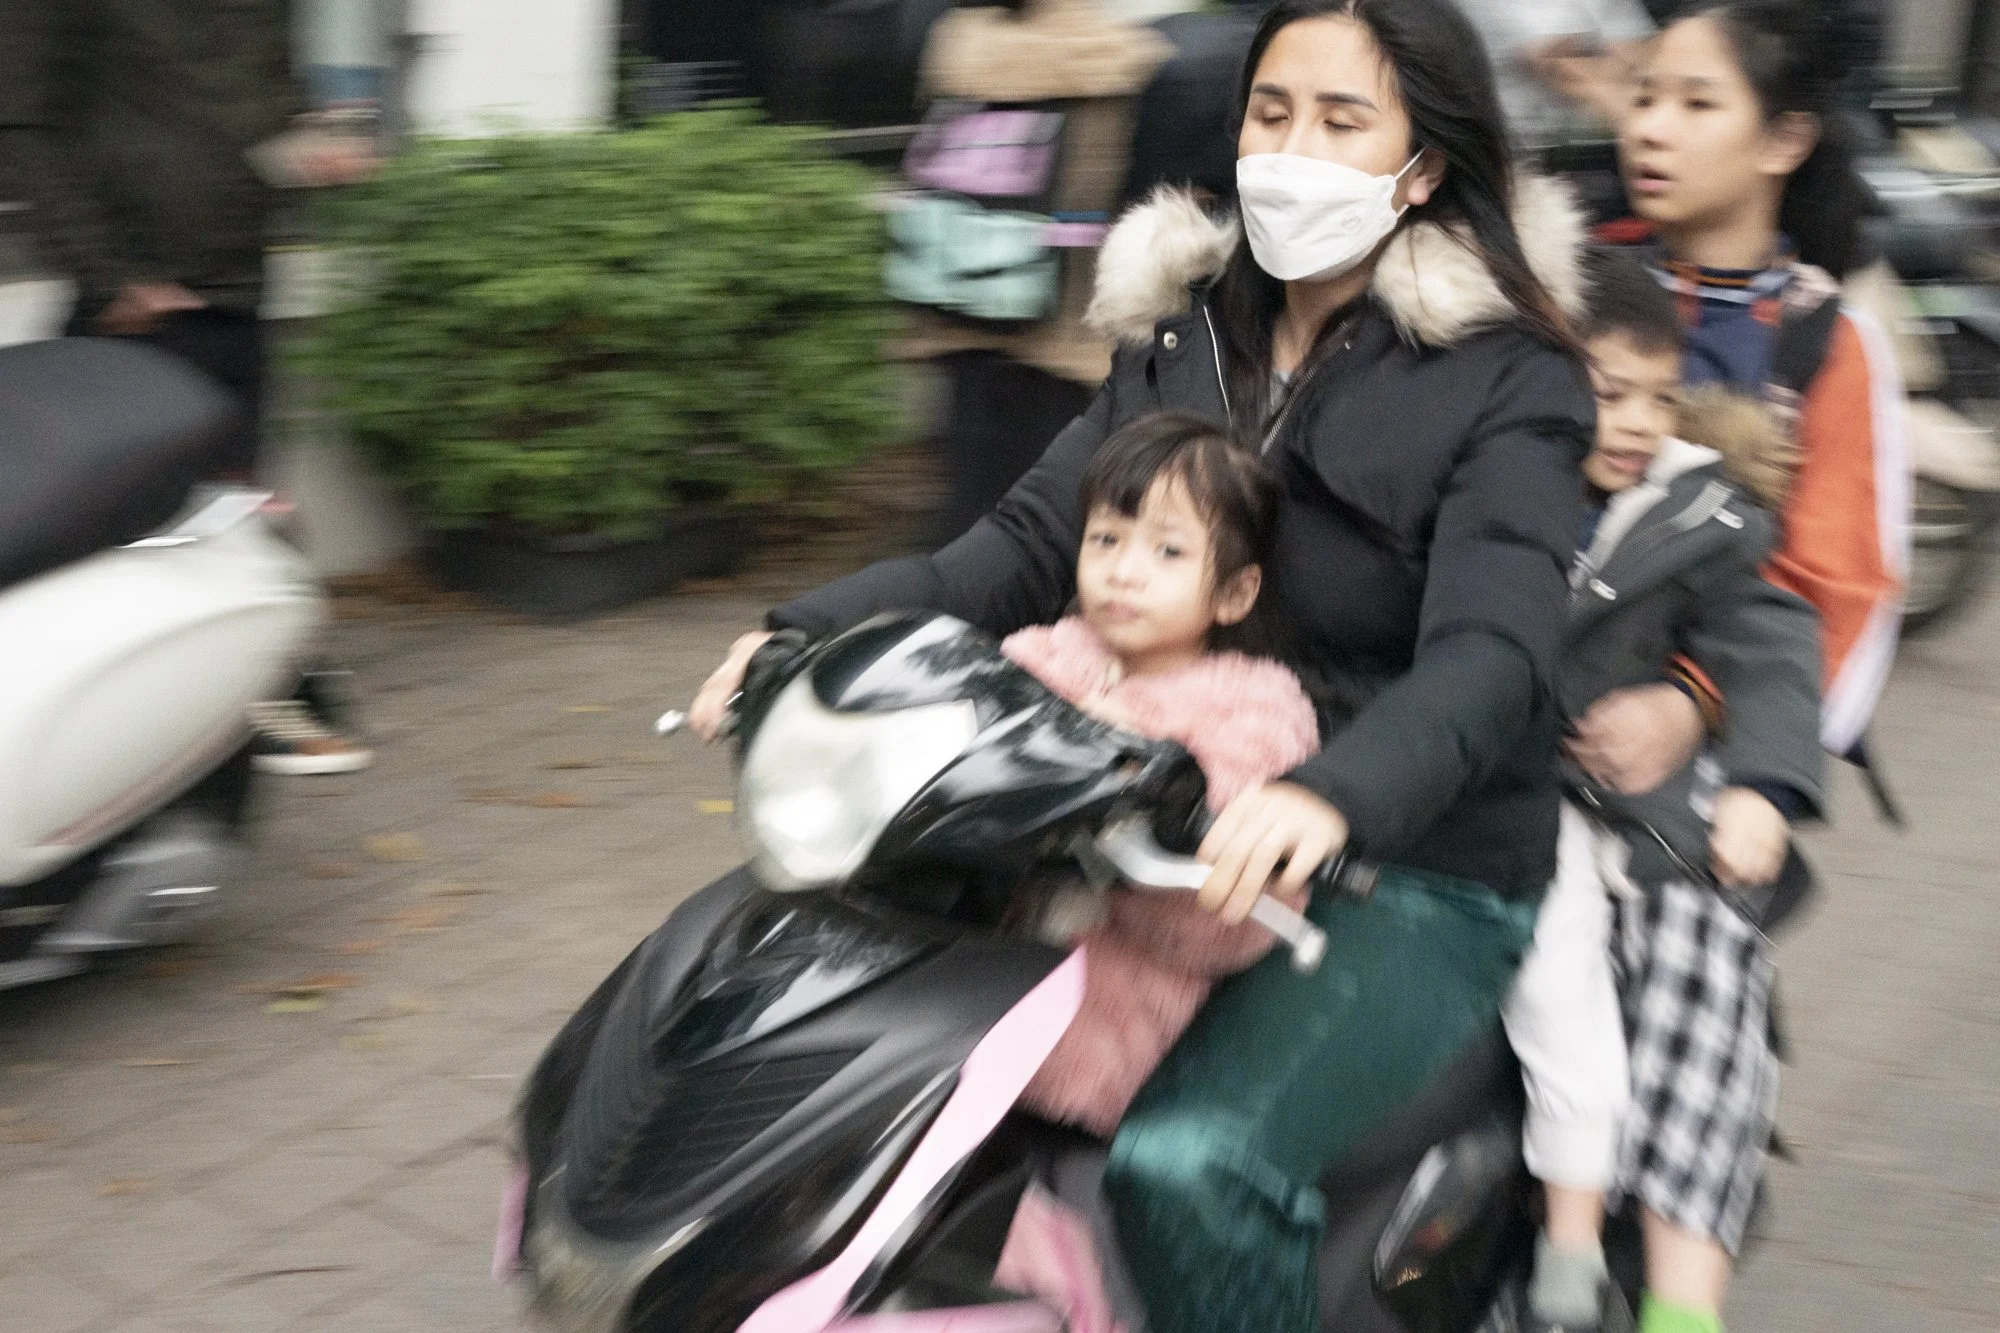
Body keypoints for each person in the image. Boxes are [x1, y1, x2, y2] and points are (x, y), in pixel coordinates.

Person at [692, 0, 1596, 1325]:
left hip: (1413, 858)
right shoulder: (1180, 331)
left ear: (1422, 168)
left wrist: (1332, 797)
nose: (1294, 149)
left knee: (1191, 1165)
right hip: (1139, 813)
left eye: (1344, 121)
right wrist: (805, 630)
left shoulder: (1507, 377)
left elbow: (1494, 649)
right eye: (1272, 112)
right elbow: (1017, 548)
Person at [1500, 250, 1824, 1333]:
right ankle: (1568, 1242)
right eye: (1608, 393)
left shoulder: (1697, 509)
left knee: (1702, 976)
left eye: (1659, 395)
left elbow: (1771, 641)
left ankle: (1683, 1308)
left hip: (1655, 818)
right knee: (1554, 981)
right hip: (1522, 805)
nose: (1636, 422)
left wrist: (1763, 788)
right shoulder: (1497, 488)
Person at [0, 0, 376, 775]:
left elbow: (263, 112)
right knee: (113, 535)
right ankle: (91, 739)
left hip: (237, 287)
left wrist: (313, 148)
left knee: (242, 511)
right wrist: (112, 277)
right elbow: (25, 122)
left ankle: (260, 699)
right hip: (133, 307)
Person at [998, 412, 1321, 1137]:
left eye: (1168, 550)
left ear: (1234, 594)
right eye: (1107, 538)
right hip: (978, 969)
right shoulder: (1041, 656)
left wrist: (1162, 827)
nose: (1124, 568)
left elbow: (1236, 902)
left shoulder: (1253, 711)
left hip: (1101, 1022)